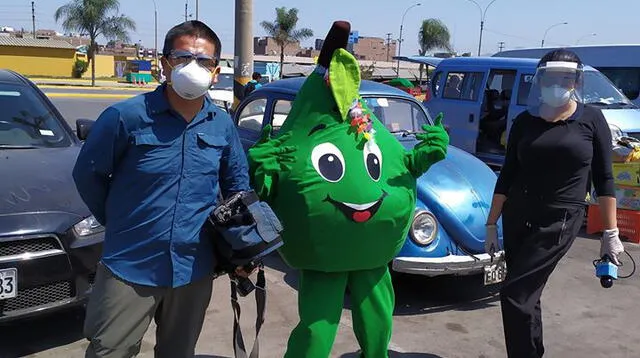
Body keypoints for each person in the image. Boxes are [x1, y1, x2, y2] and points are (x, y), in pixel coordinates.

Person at [247, 21, 448, 357]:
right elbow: (266, 188)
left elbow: (402, 163)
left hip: (371, 254)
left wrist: (424, 157)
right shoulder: (306, 120)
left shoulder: (364, 122)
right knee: (318, 327)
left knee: (377, 320)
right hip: (324, 256)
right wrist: (262, 173)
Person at [72, 20, 252, 358]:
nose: (193, 68)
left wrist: (243, 250)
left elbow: (237, 187)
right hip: (129, 265)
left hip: (194, 269)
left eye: (204, 62)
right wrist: (120, 221)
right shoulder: (125, 117)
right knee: (109, 350)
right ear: (164, 64)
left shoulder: (222, 125)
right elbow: (88, 176)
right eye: (183, 58)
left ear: (216, 72)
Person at [484, 48, 626, 358]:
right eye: (550, 78)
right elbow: (507, 175)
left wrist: (610, 233)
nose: (556, 84)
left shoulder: (590, 120)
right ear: (540, 80)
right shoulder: (524, 121)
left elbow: (604, 178)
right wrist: (491, 223)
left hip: (559, 221)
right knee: (527, 296)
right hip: (518, 216)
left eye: (564, 78)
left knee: (514, 294)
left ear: (576, 81)